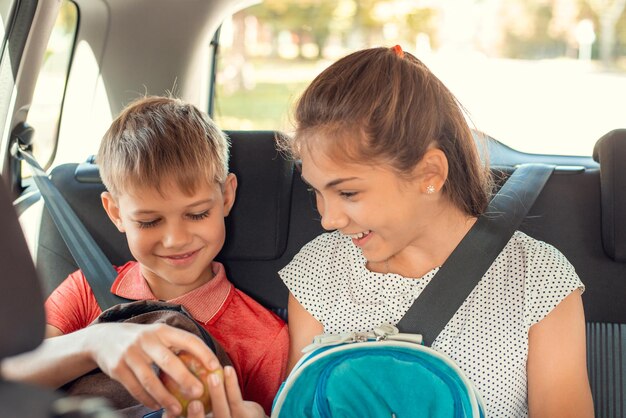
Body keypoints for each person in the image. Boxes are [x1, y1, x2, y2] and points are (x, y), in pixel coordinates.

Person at [277, 46, 594, 417]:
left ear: (430, 174)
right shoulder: (318, 272)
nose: (328, 219)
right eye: (316, 191)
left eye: (348, 192)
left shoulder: (535, 277)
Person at [3, 96, 287, 418]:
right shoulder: (83, 292)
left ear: (226, 196)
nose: (176, 239)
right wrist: (94, 343)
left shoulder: (264, 339)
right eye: (149, 222)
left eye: (197, 214)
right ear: (116, 213)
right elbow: (12, 369)